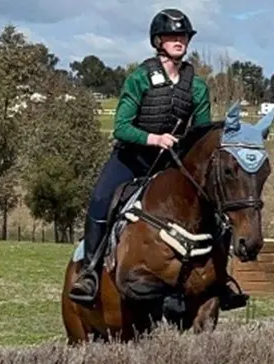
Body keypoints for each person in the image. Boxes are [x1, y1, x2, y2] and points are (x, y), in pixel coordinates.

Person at [69, 8, 214, 305]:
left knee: (211, 205)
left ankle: (218, 279)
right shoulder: (139, 78)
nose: (179, 40)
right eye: (173, 36)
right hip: (131, 159)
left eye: (183, 36)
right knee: (99, 199)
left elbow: (201, 134)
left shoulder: (197, 87)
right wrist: (154, 138)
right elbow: (121, 127)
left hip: (169, 164)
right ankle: (89, 273)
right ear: (158, 41)